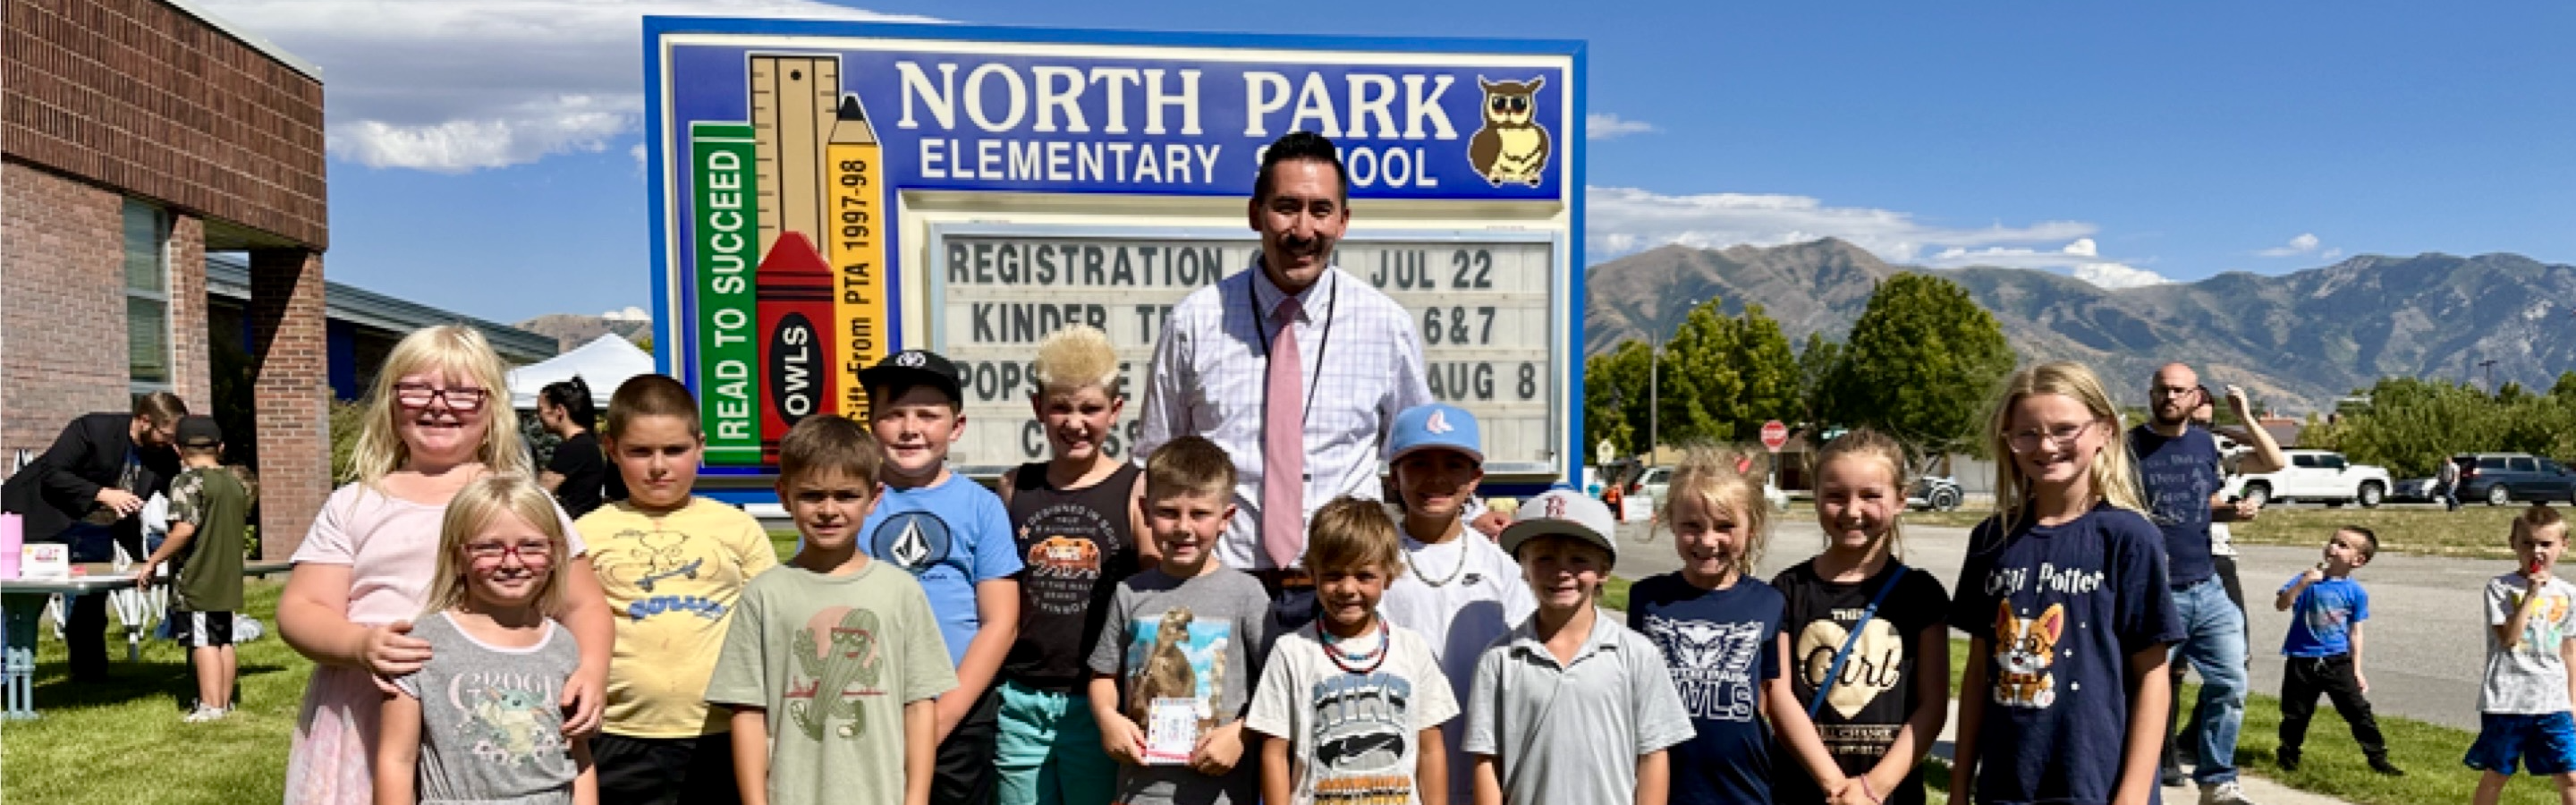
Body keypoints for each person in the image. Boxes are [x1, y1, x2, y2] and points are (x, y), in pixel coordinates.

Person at [276, 325, 617, 805]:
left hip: (491, 721)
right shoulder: (355, 504)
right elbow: (301, 608)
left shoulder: (523, 503)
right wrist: (360, 644)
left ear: (492, 407)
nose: (438, 405)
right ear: (392, 402)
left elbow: (584, 605)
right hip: (369, 713)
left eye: (462, 393)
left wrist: (592, 672)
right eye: (417, 389)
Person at [1133, 131, 1436, 601]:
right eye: (1286, 206)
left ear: (1343, 221)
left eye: (1320, 210)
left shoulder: (1386, 325)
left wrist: (1470, 515)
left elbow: (1419, 456)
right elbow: (1154, 460)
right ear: (1255, 214)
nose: (1303, 229)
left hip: (1343, 590)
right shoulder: (1195, 321)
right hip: (1219, 587)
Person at [1950, 361, 2183, 805]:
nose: (2046, 446)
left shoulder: (2129, 537)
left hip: (2097, 784)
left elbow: (2154, 676)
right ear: (2008, 440)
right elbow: (1979, 672)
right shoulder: (1990, 539)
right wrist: (1960, 786)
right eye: (2028, 433)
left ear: (2105, 431)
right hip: (2007, 786)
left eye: (2064, 430)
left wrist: (2132, 796)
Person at [708, 416, 956, 805]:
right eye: (811, 495)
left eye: (845, 495)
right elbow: (748, 713)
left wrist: (917, 797)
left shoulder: (901, 591)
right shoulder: (763, 595)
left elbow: (920, 706)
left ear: (874, 498)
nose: (828, 509)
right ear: (783, 495)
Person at [575, 374, 779, 805]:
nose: (658, 465)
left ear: (700, 446)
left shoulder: (737, 527)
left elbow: (773, 626)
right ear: (611, 450)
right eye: (639, 451)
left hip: (722, 733)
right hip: (616, 734)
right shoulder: (585, 533)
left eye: (674, 450)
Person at [857, 348, 1026, 804]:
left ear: (956, 426)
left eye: (928, 415)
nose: (910, 428)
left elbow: (1000, 621)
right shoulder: (849, 503)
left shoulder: (981, 506)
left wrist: (944, 717)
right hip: (866, 709)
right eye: (894, 414)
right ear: (872, 424)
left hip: (958, 716)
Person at [996, 326, 1154, 805]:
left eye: (1090, 408)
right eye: (1061, 407)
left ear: (1116, 409)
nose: (1075, 422)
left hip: (1099, 701)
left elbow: (1154, 596)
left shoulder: (1137, 488)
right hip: (1020, 699)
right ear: (1038, 407)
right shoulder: (1012, 487)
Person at [375, 474, 597, 805]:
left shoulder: (563, 643)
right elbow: (396, 759)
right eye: (488, 547)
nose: (511, 562)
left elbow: (577, 755)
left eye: (531, 546)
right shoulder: (422, 644)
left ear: (555, 554)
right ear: (457, 557)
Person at [1465, 489, 1694, 805]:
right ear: (1523, 566)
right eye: (1544, 557)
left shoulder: (1636, 654)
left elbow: (1653, 755)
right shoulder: (1498, 660)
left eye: (1579, 559)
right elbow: (1487, 761)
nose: (1562, 572)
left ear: (1603, 571)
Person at [1087, 436, 1275, 805]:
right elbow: (1103, 676)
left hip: (1222, 793)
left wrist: (1242, 733)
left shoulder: (1246, 594)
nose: (1183, 528)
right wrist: (1108, 720)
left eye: (1200, 514)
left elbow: (1278, 686)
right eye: (1169, 512)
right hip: (1140, 790)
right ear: (1145, 510)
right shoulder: (1130, 593)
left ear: (1226, 518)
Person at [2128, 363, 2283, 805]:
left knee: (2231, 682)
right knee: (2141, 693)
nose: (2170, 397)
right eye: (2162, 389)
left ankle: (2216, 781)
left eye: (2179, 390)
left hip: (2207, 585)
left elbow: (2272, 463)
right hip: (2155, 591)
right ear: (2151, 393)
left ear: (2196, 397)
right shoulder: (2128, 448)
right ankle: (2131, 780)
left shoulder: (2206, 444)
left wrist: (2247, 418)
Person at [1773, 430, 1952, 805]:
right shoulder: (1787, 589)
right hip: (1804, 789)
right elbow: (1779, 695)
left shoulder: (1921, 593)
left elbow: (1933, 705)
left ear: (1901, 500)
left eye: (1871, 496)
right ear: (1816, 497)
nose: (1853, 511)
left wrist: (1874, 789)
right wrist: (1834, 785)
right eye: (1836, 496)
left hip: (1892, 793)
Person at [1626, 451, 1814, 805]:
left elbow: (1775, 695)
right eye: (1692, 526)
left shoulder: (1768, 602)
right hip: (1663, 784)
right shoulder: (1647, 599)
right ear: (1670, 523)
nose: (1707, 541)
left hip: (1742, 788)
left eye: (1725, 526)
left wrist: (1832, 780)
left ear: (1751, 528)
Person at [1250, 498, 1458, 805]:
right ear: (1313, 574)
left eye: (1364, 576)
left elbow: (1430, 747)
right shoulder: (1291, 651)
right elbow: (1275, 751)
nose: (1348, 589)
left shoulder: (1412, 649)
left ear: (1388, 576)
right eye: (1334, 575)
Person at [1378, 402, 1534, 804]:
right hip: (1392, 760)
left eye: (1453, 464)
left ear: (1474, 479)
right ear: (1395, 477)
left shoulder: (1499, 567)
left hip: (1480, 760)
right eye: (1418, 464)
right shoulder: (1372, 560)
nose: (1436, 478)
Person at [0, 390, 186, 680]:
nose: (171, 443)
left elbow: (180, 493)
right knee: (25, 604)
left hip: (97, 531)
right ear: (144, 420)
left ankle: (89, 676)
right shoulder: (93, 428)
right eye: (168, 435)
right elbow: (53, 473)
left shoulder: (161, 455)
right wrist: (103, 494)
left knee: (89, 607)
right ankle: (8, 678)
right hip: (46, 522)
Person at [131, 416, 248, 722]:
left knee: (203, 641)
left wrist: (152, 561)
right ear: (220, 447)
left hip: (198, 576)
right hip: (227, 576)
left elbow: (184, 529)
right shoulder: (234, 483)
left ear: (177, 450)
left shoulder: (186, 482)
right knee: (223, 639)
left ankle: (210, 706)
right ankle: (224, 701)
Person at [2164, 391, 2252, 786]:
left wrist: (2247, 418)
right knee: (2167, 672)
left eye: (2205, 418)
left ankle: (2205, 758)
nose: (2199, 424)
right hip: (2173, 568)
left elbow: (2272, 460)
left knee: (2233, 667)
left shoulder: (2214, 447)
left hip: (2216, 562)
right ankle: (2161, 757)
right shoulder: (2150, 449)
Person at [2468, 504, 2576, 805]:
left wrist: (2572, 701)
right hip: (2508, 700)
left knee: (2569, 774)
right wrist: (2531, 595)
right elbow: (2510, 640)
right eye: (2528, 543)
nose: (2536, 551)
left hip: (2552, 700)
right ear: (2513, 544)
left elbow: (2568, 650)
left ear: (2563, 546)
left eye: (2546, 544)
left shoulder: (2568, 594)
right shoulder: (2500, 588)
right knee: (2497, 773)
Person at [2273, 526, 2400, 775]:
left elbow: (2356, 632)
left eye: (2343, 545)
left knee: (2357, 710)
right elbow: (2281, 604)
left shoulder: (2355, 592)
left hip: (2336, 660)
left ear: (2358, 560)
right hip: (2301, 658)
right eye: (2332, 542)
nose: (2333, 547)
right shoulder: (2306, 579)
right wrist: (2302, 584)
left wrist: (2357, 669)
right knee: (2295, 713)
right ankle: (2288, 754)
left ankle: (2377, 756)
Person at [538, 376, 610, 518]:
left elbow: (541, 492)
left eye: (540, 409)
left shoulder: (575, 447)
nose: (538, 416)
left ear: (559, 410)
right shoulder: (586, 443)